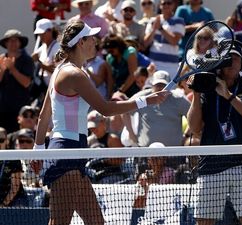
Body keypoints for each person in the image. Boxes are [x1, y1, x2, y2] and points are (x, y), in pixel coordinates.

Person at [32, 20, 168, 225]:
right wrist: (145, 101)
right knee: (59, 222)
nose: (96, 41)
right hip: (66, 152)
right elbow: (105, 109)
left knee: (96, 222)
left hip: (73, 150)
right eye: (91, 38)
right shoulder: (73, 74)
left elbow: (44, 116)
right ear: (81, 43)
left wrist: (38, 149)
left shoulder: (64, 71)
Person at [187, 45, 242, 225]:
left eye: (236, 58)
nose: (231, 63)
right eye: (227, 58)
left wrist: (228, 95)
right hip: (212, 161)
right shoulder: (207, 89)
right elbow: (195, 127)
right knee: (204, 220)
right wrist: (196, 93)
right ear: (219, 63)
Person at [122, 70, 190, 147]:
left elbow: (193, 117)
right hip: (146, 153)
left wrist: (187, 135)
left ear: (170, 86)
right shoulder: (143, 97)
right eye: (157, 85)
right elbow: (125, 111)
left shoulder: (179, 99)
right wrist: (131, 134)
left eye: (164, 85)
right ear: (152, 84)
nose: (161, 88)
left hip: (173, 154)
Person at [0, 29, 35, 133]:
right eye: (10, 40)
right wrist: (2, 69)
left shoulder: (27, 60)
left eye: (15, 40)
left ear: (20, 43)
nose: (13, 43)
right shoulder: (1, 58)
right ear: (6, 43)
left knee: (18, 135)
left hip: (19, 108)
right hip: (2, 108)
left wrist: (12, 69)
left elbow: (26, 83)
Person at [143, 0, 185, 77]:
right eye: (164, 3)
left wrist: (161, 29)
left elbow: (174, 41)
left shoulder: (179, 21)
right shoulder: (153, 20)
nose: (166, 5)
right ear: (160, 5)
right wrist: (154, 29)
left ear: (173, 5)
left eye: (169, 3)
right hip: (154, 65)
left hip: (171, 67)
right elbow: (145, 43)